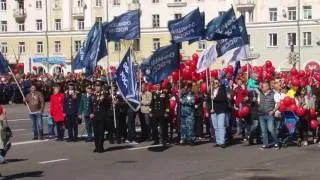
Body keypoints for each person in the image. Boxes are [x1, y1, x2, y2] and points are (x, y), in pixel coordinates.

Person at [90, 80, 111, 153]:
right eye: (96, 86)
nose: (97, 87)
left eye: (98, 86)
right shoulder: (93, 95)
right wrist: (91, 113)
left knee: (101, 132)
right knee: (95, 132)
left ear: (101, 87)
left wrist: (105, 98)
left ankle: (100, 147)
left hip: (102, 116)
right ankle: (96, 146)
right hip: (94, 116)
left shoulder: (104, 95)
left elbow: (108, 104)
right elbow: (91, 105)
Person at [258, 81, 279, 150]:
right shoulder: (260, 94)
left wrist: (273, 111)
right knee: (263, 131)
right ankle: (265, 144)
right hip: (261, 114)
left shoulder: (273, 94)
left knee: (271, 129)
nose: (262, 88)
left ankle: (276, 142)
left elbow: (278, 104)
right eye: (262, 86)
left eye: (263, 86)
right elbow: (258, 102)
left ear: (267, 87)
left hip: (269, 115)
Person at [209, 79, 228, 148]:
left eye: (216, 83)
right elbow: (208, 101)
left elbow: (223, 98)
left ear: (219, 83)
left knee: (221, 126)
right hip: (213, 111)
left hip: (221, 110)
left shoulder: (222, 90)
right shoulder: (211, 91)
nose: (215, 84)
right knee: (215, 127)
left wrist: (214, 98)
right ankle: (218, 141)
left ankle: (222, 142)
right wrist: (209, 109)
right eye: (214, 83)